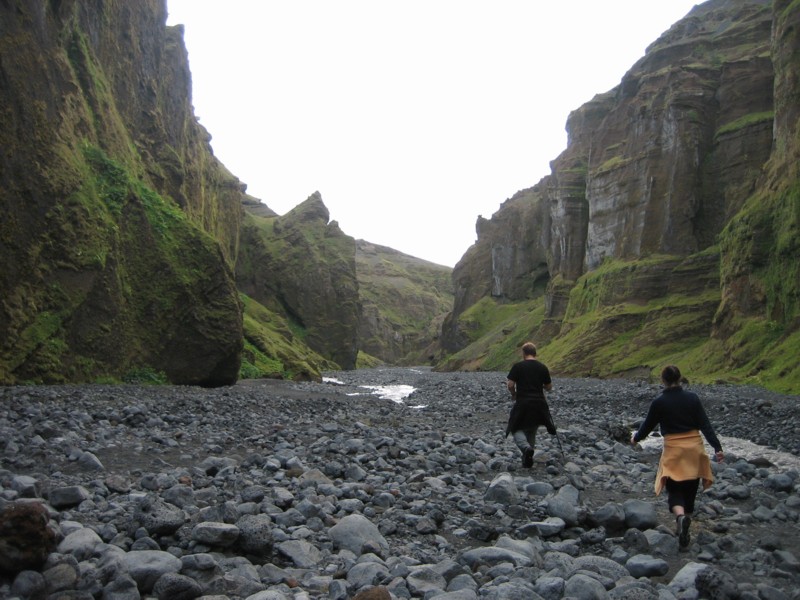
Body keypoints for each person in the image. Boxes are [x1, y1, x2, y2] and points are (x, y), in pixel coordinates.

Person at [630, 365, 724, 549]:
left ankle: (680, 518)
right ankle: (685, 522)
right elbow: (705, 424)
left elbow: (648, 425)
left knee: (674, 489)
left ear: (662, 380)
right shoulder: (693, 399)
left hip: (674, 450)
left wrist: (636, 438)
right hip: (694, 449)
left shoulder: (659, 402)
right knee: (690, 487)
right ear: (680, 378)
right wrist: (717, 448)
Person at [506, 342, 554, 468]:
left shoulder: (518, 366)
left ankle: (526, 448)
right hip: (539, 403)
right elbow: (549, 387)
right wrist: (539, 385)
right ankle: (527, 458)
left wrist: (514, 393)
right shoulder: (542, 367)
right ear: (535, 353)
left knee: (515, 427)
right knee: (532, 429)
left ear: (524, 353)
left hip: (523, 402)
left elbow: (510, 384)